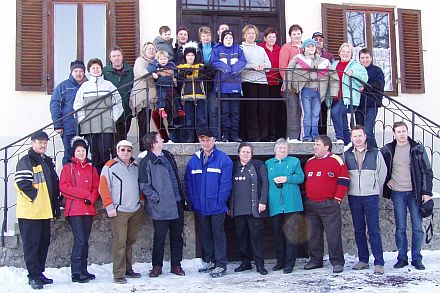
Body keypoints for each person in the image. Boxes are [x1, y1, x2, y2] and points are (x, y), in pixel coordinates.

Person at [380, 121, 433, 270]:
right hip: (398, 193)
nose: (401, 134)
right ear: (394, 134)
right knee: (400, 228)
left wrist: (426, 192)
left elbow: (427, 171)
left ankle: (416, 258)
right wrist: (387, 180)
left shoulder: (417, 148)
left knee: (417, 227)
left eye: (404, 131)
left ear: (407, 132)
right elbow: (381, 169)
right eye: (398, 132)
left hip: (415, 193)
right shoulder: (388, 150)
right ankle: (402, 257)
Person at [14, 131, 61, 289]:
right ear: (32, 143)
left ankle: (39, 272)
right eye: (39, 142)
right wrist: (36, 199)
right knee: (32, 245)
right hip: (31, 212)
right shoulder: (27, 161)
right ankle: (33, 276)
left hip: (44, 211)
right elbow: (22, 183)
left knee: (43, 243)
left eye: (45, 142)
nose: (43, 145)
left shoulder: (45, 161)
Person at [184, 128, 233, 278]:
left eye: (208, 140)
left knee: (218, 235)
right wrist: (193, 200)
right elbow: (189, 182)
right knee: (205, 235)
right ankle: (210, 261)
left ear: (214, 140)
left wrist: (220, 202)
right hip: (200, 206)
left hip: (216, 207)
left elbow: (226, 185)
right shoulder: (194, 160)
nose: (205, 143)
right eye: (202, 140)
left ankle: (220, 264)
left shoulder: (223, 159)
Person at [138, 132, 186, 277]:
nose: (163, 140)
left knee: (177, 236)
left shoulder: (168, 155)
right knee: (159, 238)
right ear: (153, 143)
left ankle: (176, 265)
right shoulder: (146, 161)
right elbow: (144, 185)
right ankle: (157, 266)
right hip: (161, 206)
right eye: (160, 138)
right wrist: (157, 198)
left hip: (177, 202)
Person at [99, 139, 144, 284]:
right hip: (119, 211)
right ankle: (118, 273)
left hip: (135, 209)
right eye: (122, 150)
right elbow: (104, 187)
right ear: (117, 151)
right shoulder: (110, 166)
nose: (125, 152)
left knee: (130, 240)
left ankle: (128, 268)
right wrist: (109, 206)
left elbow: (140, 185)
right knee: (120, 242)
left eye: (128, 150)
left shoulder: (136, 166)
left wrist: (141, 201)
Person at [344, 126, 386, 275]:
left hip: (371, 196)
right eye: (355, 136)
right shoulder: (347, 154)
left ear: (365, 136)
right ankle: (363, 260)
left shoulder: (375, 153)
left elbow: (382, 173)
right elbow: (344, 174)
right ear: (351, 138)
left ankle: (379, 262)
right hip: (354, 196)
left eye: (360, 135)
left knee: (374, 229)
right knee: (359, 229)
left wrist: (375, 188)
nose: (358, 139)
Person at [303, 135, 349, 273]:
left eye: (317, 144)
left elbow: (344, 180)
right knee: (313, 234)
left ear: (326, 147)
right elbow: (305, 182)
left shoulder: (336, 160)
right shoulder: (310, 162)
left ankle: (337, 262)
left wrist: (337, 200)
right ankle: (316, 260)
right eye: (314, 144)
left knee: (333, 235)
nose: (314, 147)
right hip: (311, 205)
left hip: (329, 205)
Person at [59, 136, 99, 283]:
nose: (81, 153)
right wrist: (85, 195)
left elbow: (96, 187)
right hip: (74, 210)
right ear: (73, 152)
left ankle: (83, 269)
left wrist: (92, 197)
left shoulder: (92, 168)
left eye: (83, 150)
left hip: (88, 208)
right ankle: (76, 272)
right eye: (78, 150)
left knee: (85, 240)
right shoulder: (68, 168)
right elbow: (64, 187)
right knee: (80, 240)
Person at [73, 58, 123, 174]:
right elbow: (77, 105)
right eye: (93, 68)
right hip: (89, 125)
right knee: (94, 153)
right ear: (89, 71)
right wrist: (82, 119)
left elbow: (118, 102)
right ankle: (95, 178)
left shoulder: (108, 85)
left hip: (106, 125)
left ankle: (105, 178)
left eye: (98, 67)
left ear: (101, 70)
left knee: (105, 151)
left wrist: (112, 118)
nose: (95, 70)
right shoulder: (85, 87)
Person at [287, 38, 339, 142]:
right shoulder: (298, 58)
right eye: (308, 46)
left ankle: (315, 136)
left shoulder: (324, 61)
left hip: (318, 92)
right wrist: (289, 86)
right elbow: (289, 71)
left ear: (315, 48)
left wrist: (334, 93)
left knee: (315, 115)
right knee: (307, 115)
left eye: (312, 46)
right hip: (305, 90)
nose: (310, 48)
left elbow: (334, 77)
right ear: (304, 48)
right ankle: (306, 136)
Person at [265, 138, 304, 274]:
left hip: (292, 204)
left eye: (285, 148)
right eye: (280, 148)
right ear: (275, 149)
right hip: (276, 204)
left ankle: (289, 264)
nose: (282, 150)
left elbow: (301, 177)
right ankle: (280, 262)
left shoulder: (294, 161)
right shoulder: (268, 163)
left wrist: (287, 179)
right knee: (278, 235)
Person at [230, 142, 268, 275]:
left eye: (248, 152)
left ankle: (259, 264)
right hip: (238, 209)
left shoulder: (258, 165)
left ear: (251, 154)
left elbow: (265, 184)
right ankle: (245, 263)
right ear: (238, 153)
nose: (245, 154)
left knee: (256, 237)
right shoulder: (233, 166)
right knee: (241, 237)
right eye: (243, 151)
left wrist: (263, 201)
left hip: (254, 209)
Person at [130, 42, 170, 146]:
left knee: (157, 119)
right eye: (149, 49)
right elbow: (142, 72)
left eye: (153, 48)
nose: (151, 50)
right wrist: (155, 74)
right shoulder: (141, 60)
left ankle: (164, 140)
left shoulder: (158, 62)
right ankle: (144, 148)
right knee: (144, 124)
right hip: (143, 97)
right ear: (144, 51)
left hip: (154, 97)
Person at [211, 30, 247, 142]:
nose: (229, 40)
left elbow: (243, 61)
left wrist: (234, 69)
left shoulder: (238, 49)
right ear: (222, 39)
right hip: (222, 86)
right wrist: (226, 68)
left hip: (235, 86)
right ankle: (225, 135)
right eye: (226, 38)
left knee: (235, 111)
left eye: (230, 38)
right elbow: (214, 61)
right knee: (224, 111)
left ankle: (234, 135)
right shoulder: (217, 49)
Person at [329, 43, 368, 145]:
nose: (345, 54)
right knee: (342, 118)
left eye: (348, 52)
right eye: (343, 51)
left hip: (349, 98)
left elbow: (364, 79)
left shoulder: (355, 65)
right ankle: (346, 141)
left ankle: (339, 137)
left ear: (351, 54)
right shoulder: (334, 64)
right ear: (339, 53)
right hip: (336, 97)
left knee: (335, 112)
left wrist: (354, 73)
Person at [50, 60, 87, 165]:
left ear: (84, 72)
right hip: (68, 126)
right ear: (71, 72)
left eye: (81, 71)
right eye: (76, 71)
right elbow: (55, 105)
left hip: (86, 126)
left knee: (84, 155)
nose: (79, 73)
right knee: (69, 155)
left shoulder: (88, 85)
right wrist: (57, 124)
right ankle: (68, 180)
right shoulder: (63, 86)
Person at [240, 24, 271, 142]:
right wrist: (254, 66)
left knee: (263, 110)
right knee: (251, 110)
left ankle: (263, 136)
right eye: (249, 33)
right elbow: (241, 65)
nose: (251, 35)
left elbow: (269, 66)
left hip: (262, 82)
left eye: (253, 33)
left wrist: (263, 66)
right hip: (248, 82)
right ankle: (253, 137)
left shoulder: (261, 49)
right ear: (244, 35)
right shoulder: (241, 48)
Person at [103, 46, 135, 143]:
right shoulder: (105, 72)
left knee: (124, 134)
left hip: (126, 108)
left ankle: (121, 156)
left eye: (118, 55)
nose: (116, 58)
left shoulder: (130, 71)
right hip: (112, 109)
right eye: (114, 56)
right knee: (113, 137)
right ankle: (115, 156)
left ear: (122, 57)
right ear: (110, 58)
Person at [177, 42, 207, 142]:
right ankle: (190, 137)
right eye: (188, 55)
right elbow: (178, 79)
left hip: (200, 95)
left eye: (192, 55)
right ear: (185, 56)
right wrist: (184, 72)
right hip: (187, 95)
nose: (190, 57)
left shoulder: (200, 66)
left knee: (201, 118)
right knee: (189, 118)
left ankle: (201, 137)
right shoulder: (181, 67)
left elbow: (206, 76)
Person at [355, 48, 385, 148]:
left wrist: (365, 86)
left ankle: (374, 154)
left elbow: (379, 85)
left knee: (367, 131)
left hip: (372, 104)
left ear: (371, 58)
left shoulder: (377, 70)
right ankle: (364, 154)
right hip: (358, 105)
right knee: (359, 134)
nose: (365, 60)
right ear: (359, 59)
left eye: (367, 57)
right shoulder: (357, 70)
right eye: (362, 58)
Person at [279, 24, 303, 141]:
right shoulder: (286, 48)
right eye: (294, 34)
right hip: (289, 86)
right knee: (293, 111)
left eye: (298, 33)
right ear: (290, 36)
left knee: (304, 112)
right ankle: (292, 138)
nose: (296, 36)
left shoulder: (305, 47)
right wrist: (288, 84)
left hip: (304, 86)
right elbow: (283, 67)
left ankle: (303, 136)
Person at [258, 27, 284, 140]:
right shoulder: (260, 48)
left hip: (276, 83)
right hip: (262, 83)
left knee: (273, 110)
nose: (272, 39)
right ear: (265, 38)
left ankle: (273, 135)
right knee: (263, 109)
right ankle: (263, 134)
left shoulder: (280, 49)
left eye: (274, 37)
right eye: (270, 37)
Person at [311, 32, 334, 136]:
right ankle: (312, 135)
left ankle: (323, 137)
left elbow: (332, 71)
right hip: (311, 88)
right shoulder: (308, 54)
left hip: (324, 89)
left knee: (323, 113)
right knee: (311, 113)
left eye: (320, 39)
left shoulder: (329, 56)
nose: (318, 41)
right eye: (316, 39)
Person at [198, 26, 219, 138]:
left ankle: (214, 135)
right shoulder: (197, 48)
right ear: (200, 37)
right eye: (203, 36)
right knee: (202, 110)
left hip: (213, 81)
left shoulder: (216, 47)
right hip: (200, 82)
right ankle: (203, 135)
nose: (206, 37)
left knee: (212, 109)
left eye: (208, 35)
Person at [147, 50, 178, 118]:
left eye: (165, 59)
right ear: (157, 60)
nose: (163, 61)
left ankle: (179, 109)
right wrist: (153, 73)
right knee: (161, 97)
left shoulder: (170, 64)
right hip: (161, 85)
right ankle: (161, 110)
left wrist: (175, 77)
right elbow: (150, 67)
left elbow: (175, 70)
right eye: (161, 59)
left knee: (175, 96)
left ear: (168, 59)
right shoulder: (156, 65)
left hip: (170, 85)